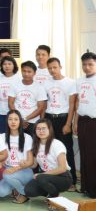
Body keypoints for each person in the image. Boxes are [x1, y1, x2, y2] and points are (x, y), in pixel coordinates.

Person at [44, 57, 77, 191]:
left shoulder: (70, 82)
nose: (52, 70)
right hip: (49, 118)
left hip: (63, 119)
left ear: (60, 67)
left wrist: (68, 124)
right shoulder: (46, 83)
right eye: (50, 68)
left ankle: (71, 181)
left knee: (66, 150)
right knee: (49, 149)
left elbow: (72, 105)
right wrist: (43, 122)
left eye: (55, 67)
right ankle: (51, 179)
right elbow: (44, 103)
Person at [25, 119, 72, 198]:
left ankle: (54, 196)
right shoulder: (36, 145)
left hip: (63, 177)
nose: (41, 131)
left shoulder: (56, 144)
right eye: (38, 129)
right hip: (46, 177)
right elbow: (34, 165)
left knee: (41, 178)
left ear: (49, 130)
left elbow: (63, 168)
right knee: (29, 190)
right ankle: (50, 191)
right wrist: (25, 163)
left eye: (44, 128)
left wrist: (42, 174)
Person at [0, 110, 34, 204]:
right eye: (10, 119)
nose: (13, 122)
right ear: (7, 121)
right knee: (0, 192)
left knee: (6, 175)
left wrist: (15, 168)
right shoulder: (1, 137)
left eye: (16, 119)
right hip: (8, 169)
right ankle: (15, 188)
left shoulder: (27, 137)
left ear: (20, 121)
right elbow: (0, 156)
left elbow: (30, 162)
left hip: (24, 170)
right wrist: (1, 162)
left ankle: (25, 193)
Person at [75, 51, 96, 198]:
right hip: (82, 121)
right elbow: (78, 103)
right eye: (84, 64)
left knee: (93, 155)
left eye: (90, 64)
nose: (87, 67)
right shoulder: (79, 81)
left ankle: (94, 190)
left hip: (94, 122)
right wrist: (75, 122)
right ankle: (85, 187)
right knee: (84, 154)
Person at [8, 61, 47, 135]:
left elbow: (40, 108)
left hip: (33, 122)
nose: (26, 74)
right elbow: (10, 103)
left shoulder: (39, 88)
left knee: (33, 142)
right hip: (16, 121)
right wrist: (19, 119)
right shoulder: (14, 85)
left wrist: (26, 119)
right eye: (24, 71)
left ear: (34, 73)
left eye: (29, 72)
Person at [0, 56, 21, 134]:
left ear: (14, 65)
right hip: (1, 112)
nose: (7, 66)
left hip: (15, 113)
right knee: (1, 135)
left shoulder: (19, 78)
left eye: (9, 64)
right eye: (4, 64)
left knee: (15, 135)